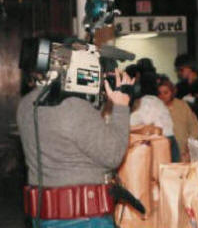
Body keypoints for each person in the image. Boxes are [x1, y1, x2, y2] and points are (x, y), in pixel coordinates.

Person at [17, 69, 134, 228]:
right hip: (83, 218)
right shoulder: (74, 106)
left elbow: (73, 134)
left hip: (43, 216)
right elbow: (113, 155)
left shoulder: (26, 103)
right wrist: (121, 106)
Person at [130, 72, 180, 162]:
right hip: (170, 140)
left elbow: (134, 124)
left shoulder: (147, 101)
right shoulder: (156, 101)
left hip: (162, 141)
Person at [157, 77, 198, 162]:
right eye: (160, 93)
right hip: (165, 153)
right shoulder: (156, 108)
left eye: (166, 93)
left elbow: (194, 126)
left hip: (184, 151)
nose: (162, 96)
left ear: (172, 92)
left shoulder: (182, 105)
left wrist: (190, 145)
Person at [174, 54, 198, 142]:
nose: (179, 73)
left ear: (189, 68)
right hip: (183, 126)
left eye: (181, 70)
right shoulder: (179, 87)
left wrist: (194, 100)